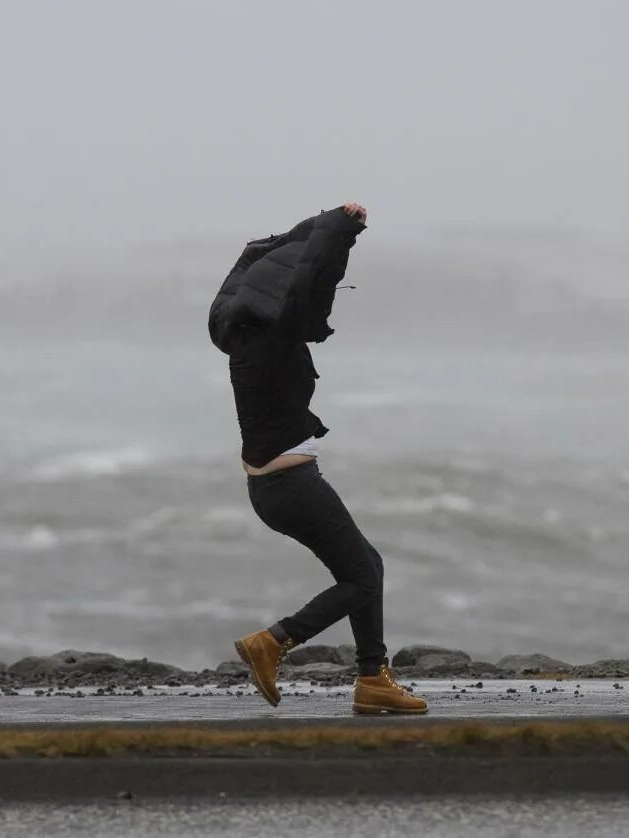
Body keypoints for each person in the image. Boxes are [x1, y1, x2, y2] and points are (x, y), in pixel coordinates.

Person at [207, 202, 427, 715]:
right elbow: (312, 284)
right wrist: (343, 228)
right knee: (363, 577)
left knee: (366, 565)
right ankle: (272, 641)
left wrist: (314, 227)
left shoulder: (238, 336)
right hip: (291, 486)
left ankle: (373, 679)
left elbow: (258, 264)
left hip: (274, 488)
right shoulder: (274, 337)